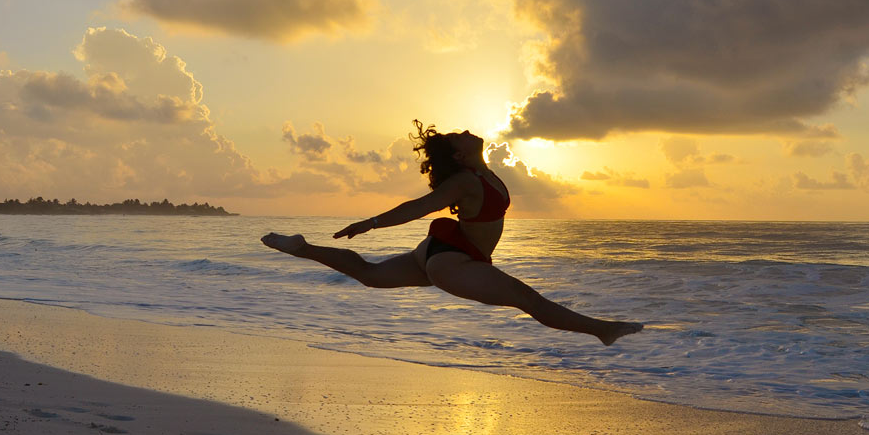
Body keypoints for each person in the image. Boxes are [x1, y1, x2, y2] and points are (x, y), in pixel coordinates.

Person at [262, 121, 644, 345]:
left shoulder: (479, 173)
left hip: (439, 250)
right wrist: (371, 223)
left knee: (370, 274)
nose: (465, 131)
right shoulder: (465, 180)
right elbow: (419, 206)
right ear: (460, 156)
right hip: (452, 261)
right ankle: (603, 330)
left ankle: (302, 248)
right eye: (459, 136)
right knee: (527, 298)